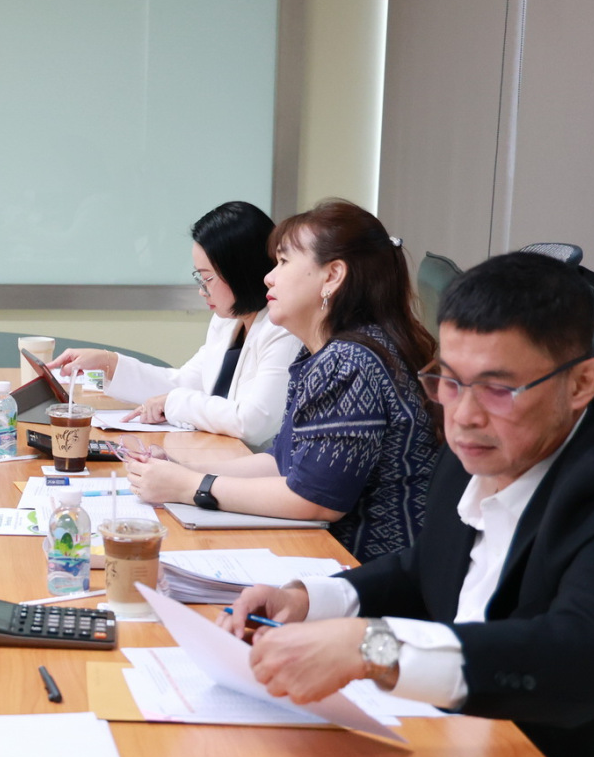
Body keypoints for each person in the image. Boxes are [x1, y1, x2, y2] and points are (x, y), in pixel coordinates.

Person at [221, 251, 594, 757]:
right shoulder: (479, 449)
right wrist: (309, 599)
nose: (463, 415)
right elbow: (427, 569)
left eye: (499, 388)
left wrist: (373, 648)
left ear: (582, 383)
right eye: (449, 381)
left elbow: (586, 657)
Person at [127, 199, 438, 562]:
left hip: (366, 568)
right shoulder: (322, 353)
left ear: (332, 276)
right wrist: (182, 470)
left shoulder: (349, 360)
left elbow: (316, 500)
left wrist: (190, 487)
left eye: (284, 262)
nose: (269, 277)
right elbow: (281, 461)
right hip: (333, 553)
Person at [46, 202, 302, 449]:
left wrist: (174, 402)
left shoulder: (282, 330)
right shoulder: (226, 322)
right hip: (219, 453)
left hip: (259, 467)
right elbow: (185, 382)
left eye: (207, 278)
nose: (201, 290)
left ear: (240, 272)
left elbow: (252, 422)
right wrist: (108, 362)